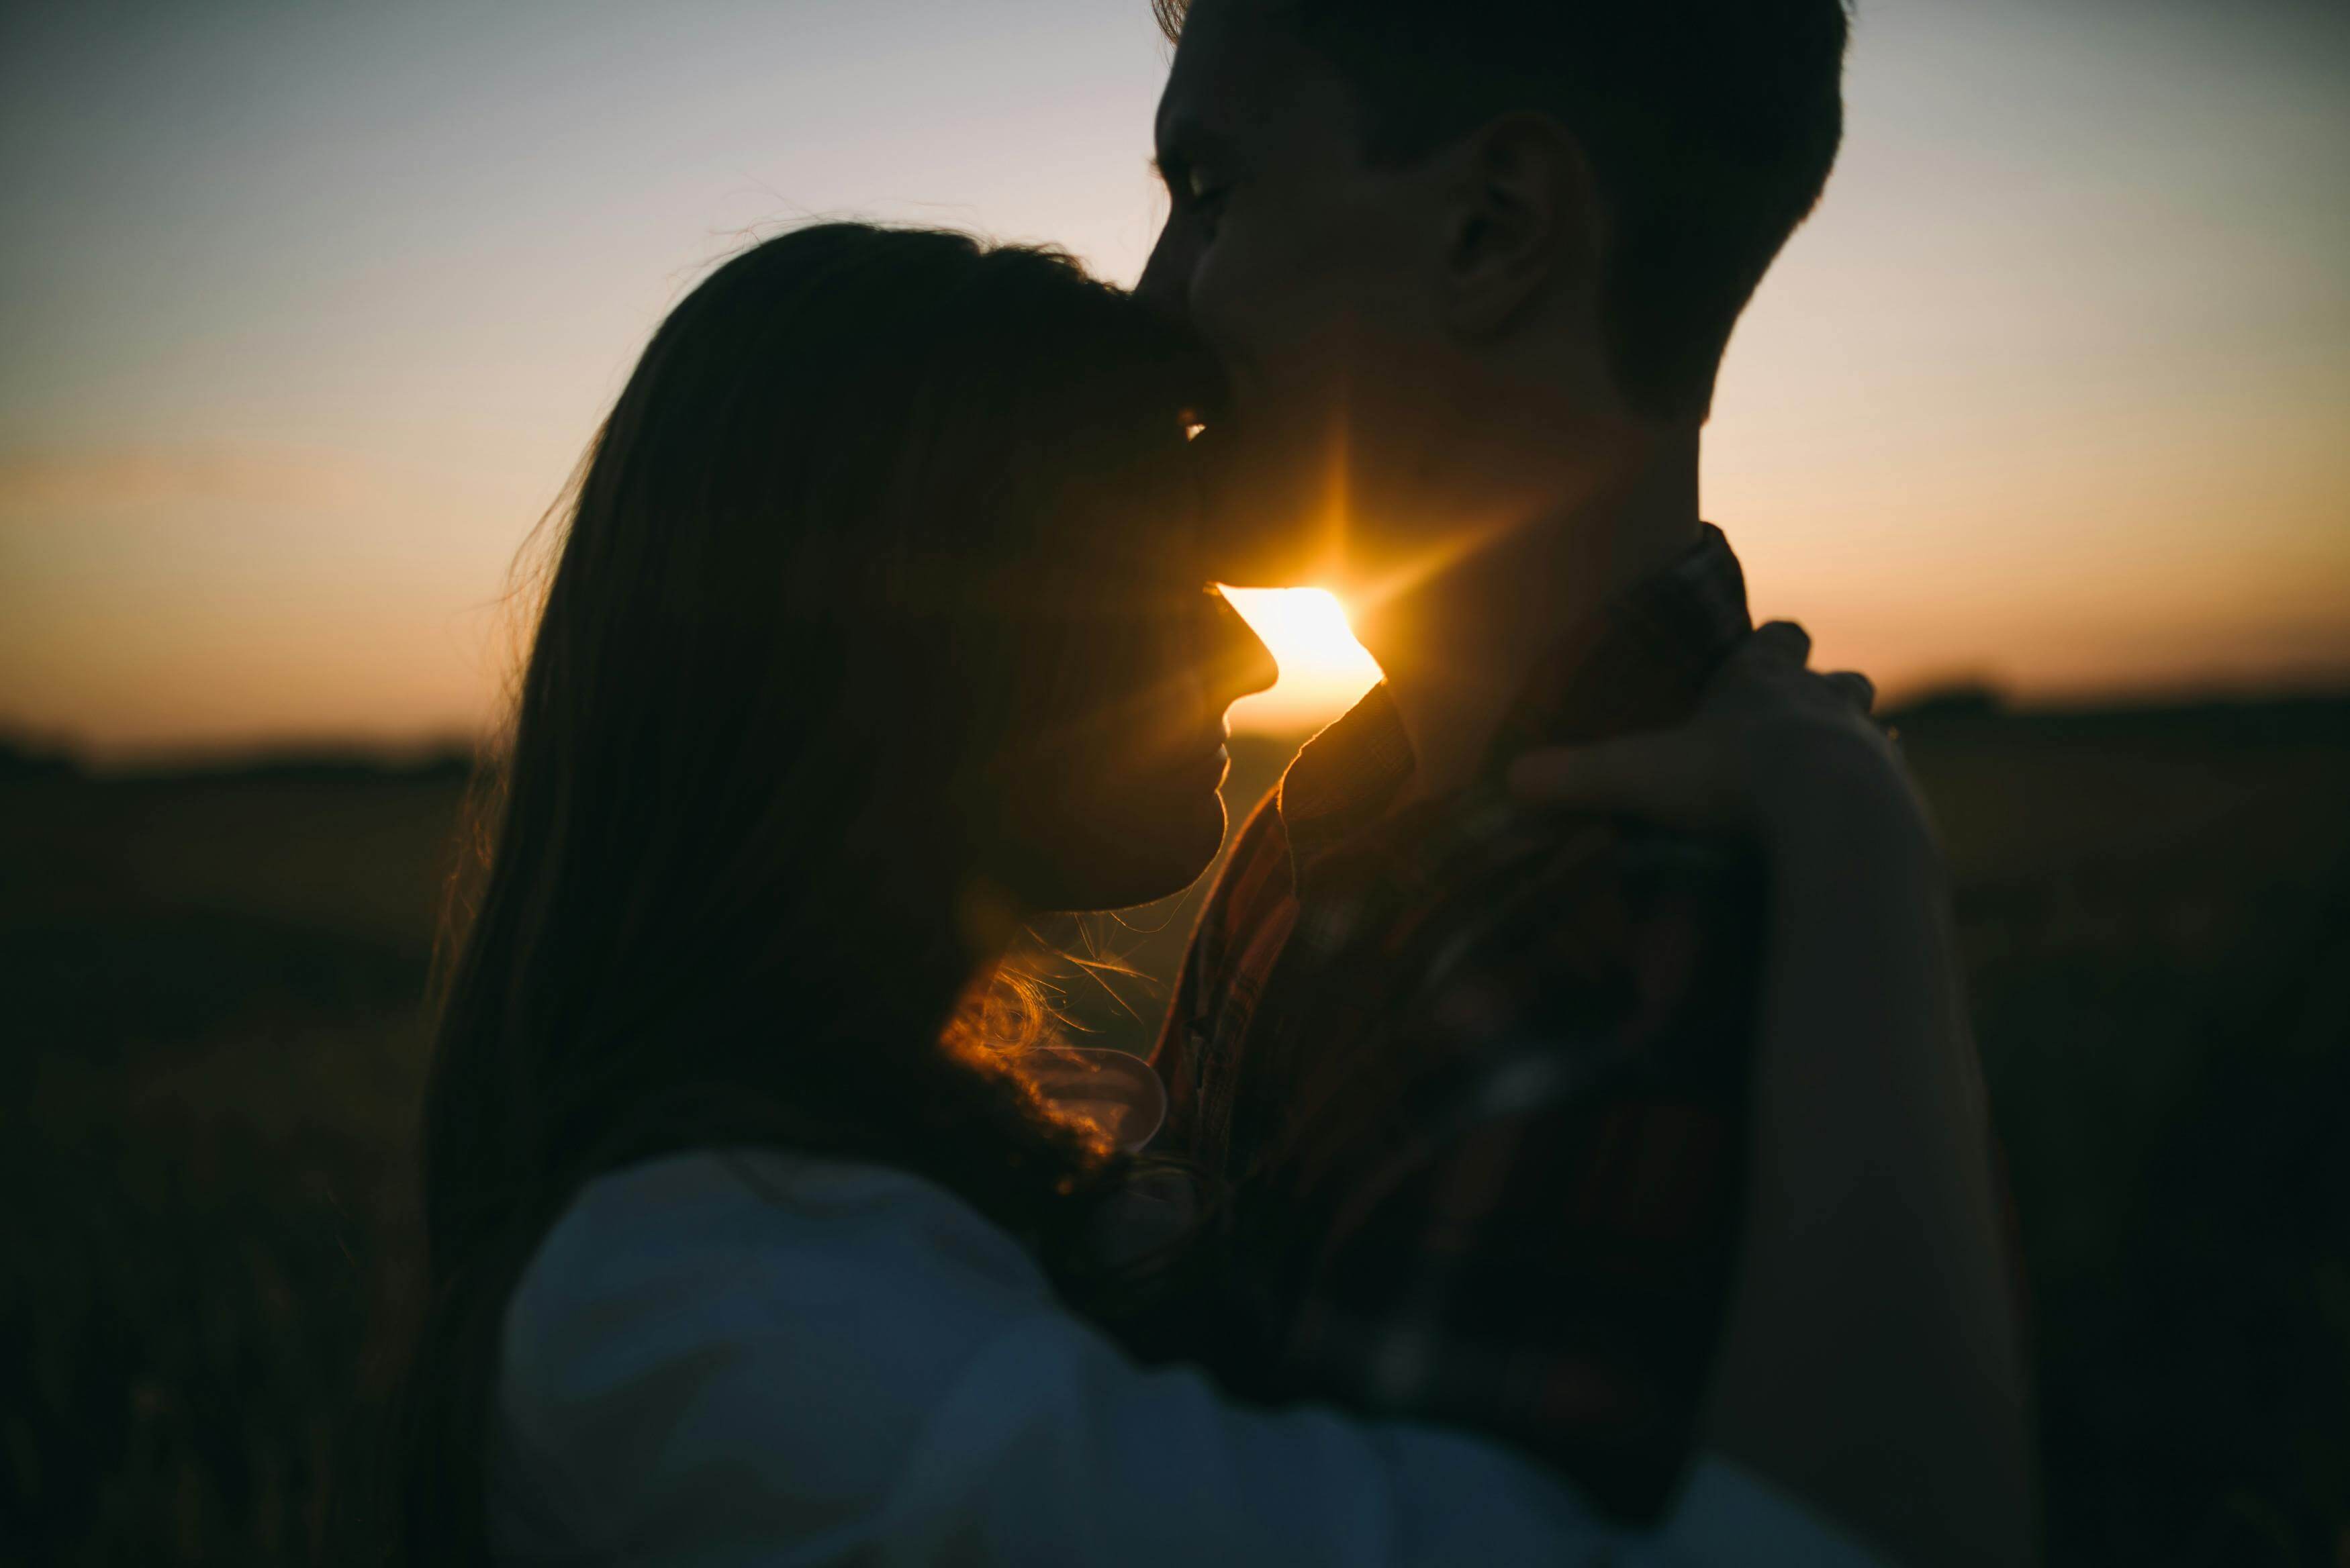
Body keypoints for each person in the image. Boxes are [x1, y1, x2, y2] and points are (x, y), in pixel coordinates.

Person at [389, 220, 1970, 1567]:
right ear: (900, 639)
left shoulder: (831, 1202)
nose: (1247, 654)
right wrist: (1861, 850)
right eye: (1147, 566)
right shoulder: (741, 1332)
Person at [1133, 1, 2036, 1563]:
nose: (1153, 300)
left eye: (1208, 194)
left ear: (1494, 230)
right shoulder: (1327, 827)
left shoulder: (1627, 953)